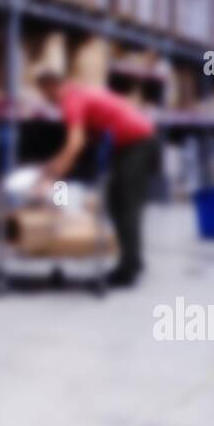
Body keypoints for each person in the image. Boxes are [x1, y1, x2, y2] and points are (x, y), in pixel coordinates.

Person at [34, 69, 159, 288]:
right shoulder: (79, 94)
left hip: (137, 143)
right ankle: (132, 260)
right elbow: (83, 142)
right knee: (114, 201)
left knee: (126, 204)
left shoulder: (71, 101)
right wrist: (55, 165)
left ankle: (129, 269)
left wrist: (52, 175)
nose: (44, 99)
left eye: (43, 93)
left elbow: (75, 144)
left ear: (51, 86)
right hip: (130, 144)